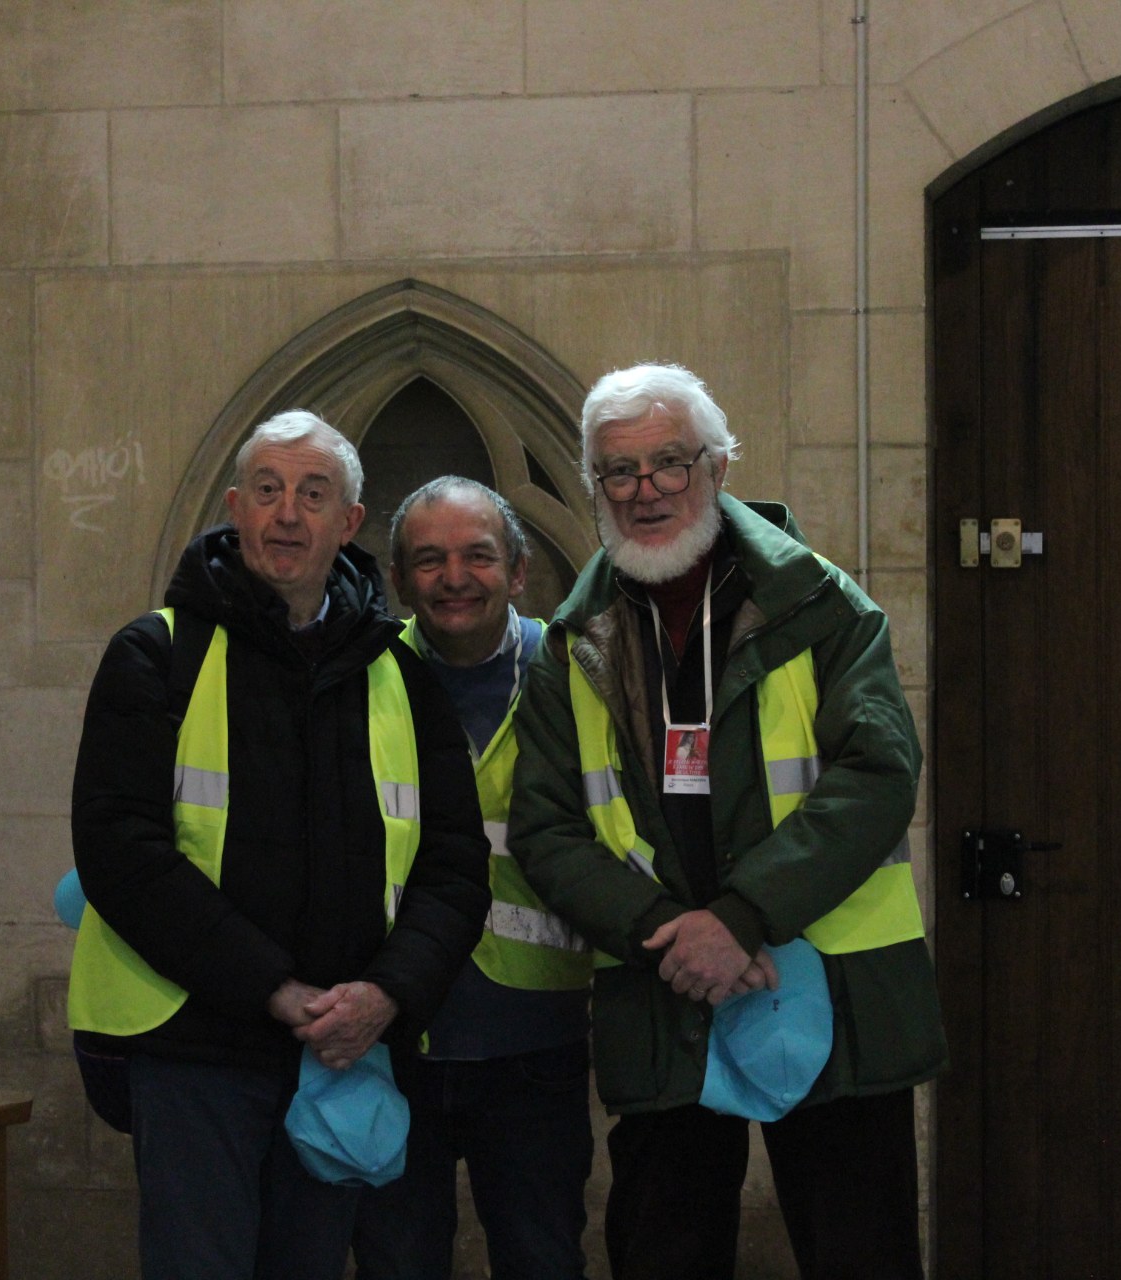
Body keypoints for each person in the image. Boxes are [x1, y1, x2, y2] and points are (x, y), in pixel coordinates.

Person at [507, 365, 947, 1280]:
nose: (646, 491)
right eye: (617, 473)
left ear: (716, 466)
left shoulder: (821, 605)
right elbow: (546, 829)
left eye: (669, 462)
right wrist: (674, 937)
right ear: (594, 489)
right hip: (664, 984)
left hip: (832, 982)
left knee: (860, 1254)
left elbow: (879, 774)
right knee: (664, 1251)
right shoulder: (572, 639)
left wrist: (741, 918)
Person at [67, 411, 490, 1280]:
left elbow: (453, 865)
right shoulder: (157, 655)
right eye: (266, 491)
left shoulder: (402, 678)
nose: (286, 514)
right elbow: (121, 851)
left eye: (312, 494)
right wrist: (272, 987)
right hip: (194, 1051)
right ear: (234, 508)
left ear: (349, 522)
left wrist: (386, 993)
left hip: (340, 1048)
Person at [351, 478, 595, 1280]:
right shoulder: (362, 679)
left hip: (536, 1041)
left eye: (478, 556)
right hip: (397, 1038)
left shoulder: (576, 675)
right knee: (397, 1262)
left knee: (541, 1258)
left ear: (519, 571)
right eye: (429, 559)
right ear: (397, 581)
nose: (454, 577)